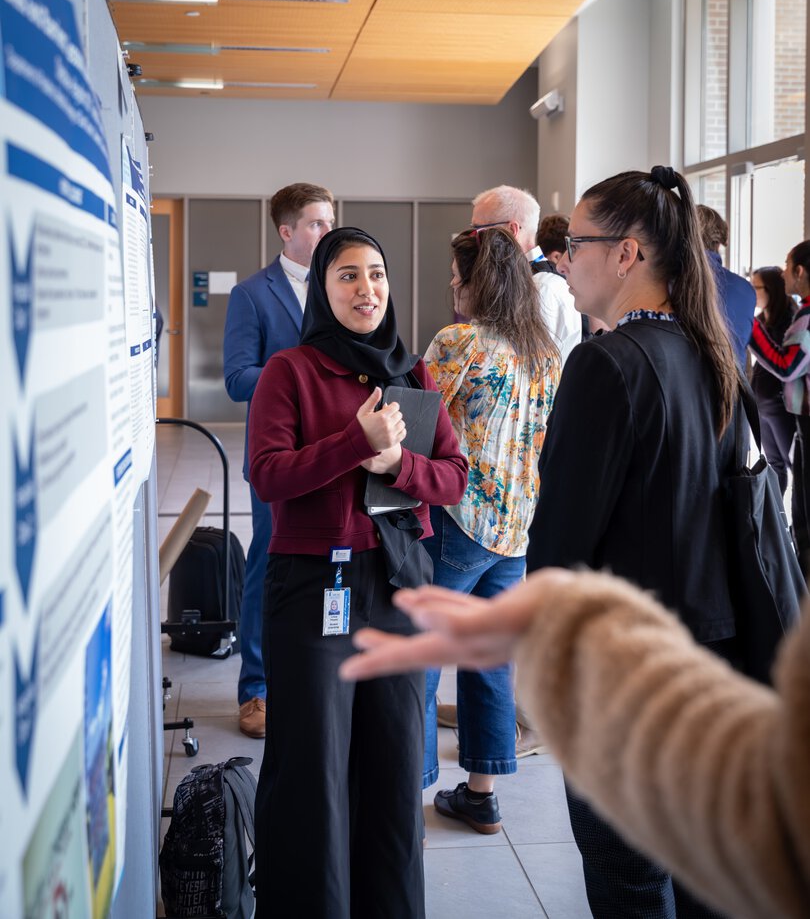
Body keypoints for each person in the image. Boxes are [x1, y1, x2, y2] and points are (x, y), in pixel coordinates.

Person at [339, 566, 810, 919]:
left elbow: (572, 530)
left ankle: (409, 810)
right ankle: (479, 793)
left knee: (631, 874)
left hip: (474, 519)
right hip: (513, 516)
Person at [525, 166, 741, 917]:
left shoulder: (605, 365)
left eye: (576, 243)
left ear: (627, 254)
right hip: (705, 659)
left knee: (629, 885)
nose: (563, 259)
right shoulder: (707, 355)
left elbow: (559, 545)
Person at [248, 227, 468, 918]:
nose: (366, 289)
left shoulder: (415, 374)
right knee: (313, 772)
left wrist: (394, 464)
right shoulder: (292, 371)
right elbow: (267, 474)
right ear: (322, 287)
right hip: (316, 591)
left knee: (395, 767)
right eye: (347, 275)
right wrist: (354, 443)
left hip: (397, 587)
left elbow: (455, 478)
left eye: (375, 273)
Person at [421, 227, 560, 834]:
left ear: (483, 282)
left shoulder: (459, 343)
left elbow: (415, 418)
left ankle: (408, 791)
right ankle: (482, 794)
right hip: (516, 530)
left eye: (460, 278)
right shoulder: (545, 351)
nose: (454, 287)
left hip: (458, 522)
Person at [223, 182, 335, 738]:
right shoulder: (252, 294)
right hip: (277, 455)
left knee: (326, 567)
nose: (326, 231)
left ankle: (310, 681)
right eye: (316, 223)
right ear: (287, 231)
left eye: (329, 221)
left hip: (337, 455)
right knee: (268, 569)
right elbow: (237, 378)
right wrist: (295, 377)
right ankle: (256, 690)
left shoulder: (343, 285)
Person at [749, 240, 810, 572]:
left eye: (788, 265)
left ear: (800, 271)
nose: (784, 271)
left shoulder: (806, 317)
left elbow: (786, 365)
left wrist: (750, 327)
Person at [470, 185, 581, 364]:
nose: (473, 238)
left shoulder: (542, 288)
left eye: (479, 230)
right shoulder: (516, 282)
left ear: (512, 230)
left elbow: (530, 371)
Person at [749, 266, 798, 494]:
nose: (750, 292)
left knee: (794, 466)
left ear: (771, 291)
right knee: (773, 465)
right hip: (762, 407)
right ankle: (777, 525)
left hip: (780, 407)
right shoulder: (760, 320)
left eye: (755, 287)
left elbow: (784, 365)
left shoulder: (790, 323)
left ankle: (798, 527)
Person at [696, 204, 756, 368]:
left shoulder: (667, 283)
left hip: (682, 391)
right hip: (733, 390)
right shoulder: (746, 290)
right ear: (720, 242)